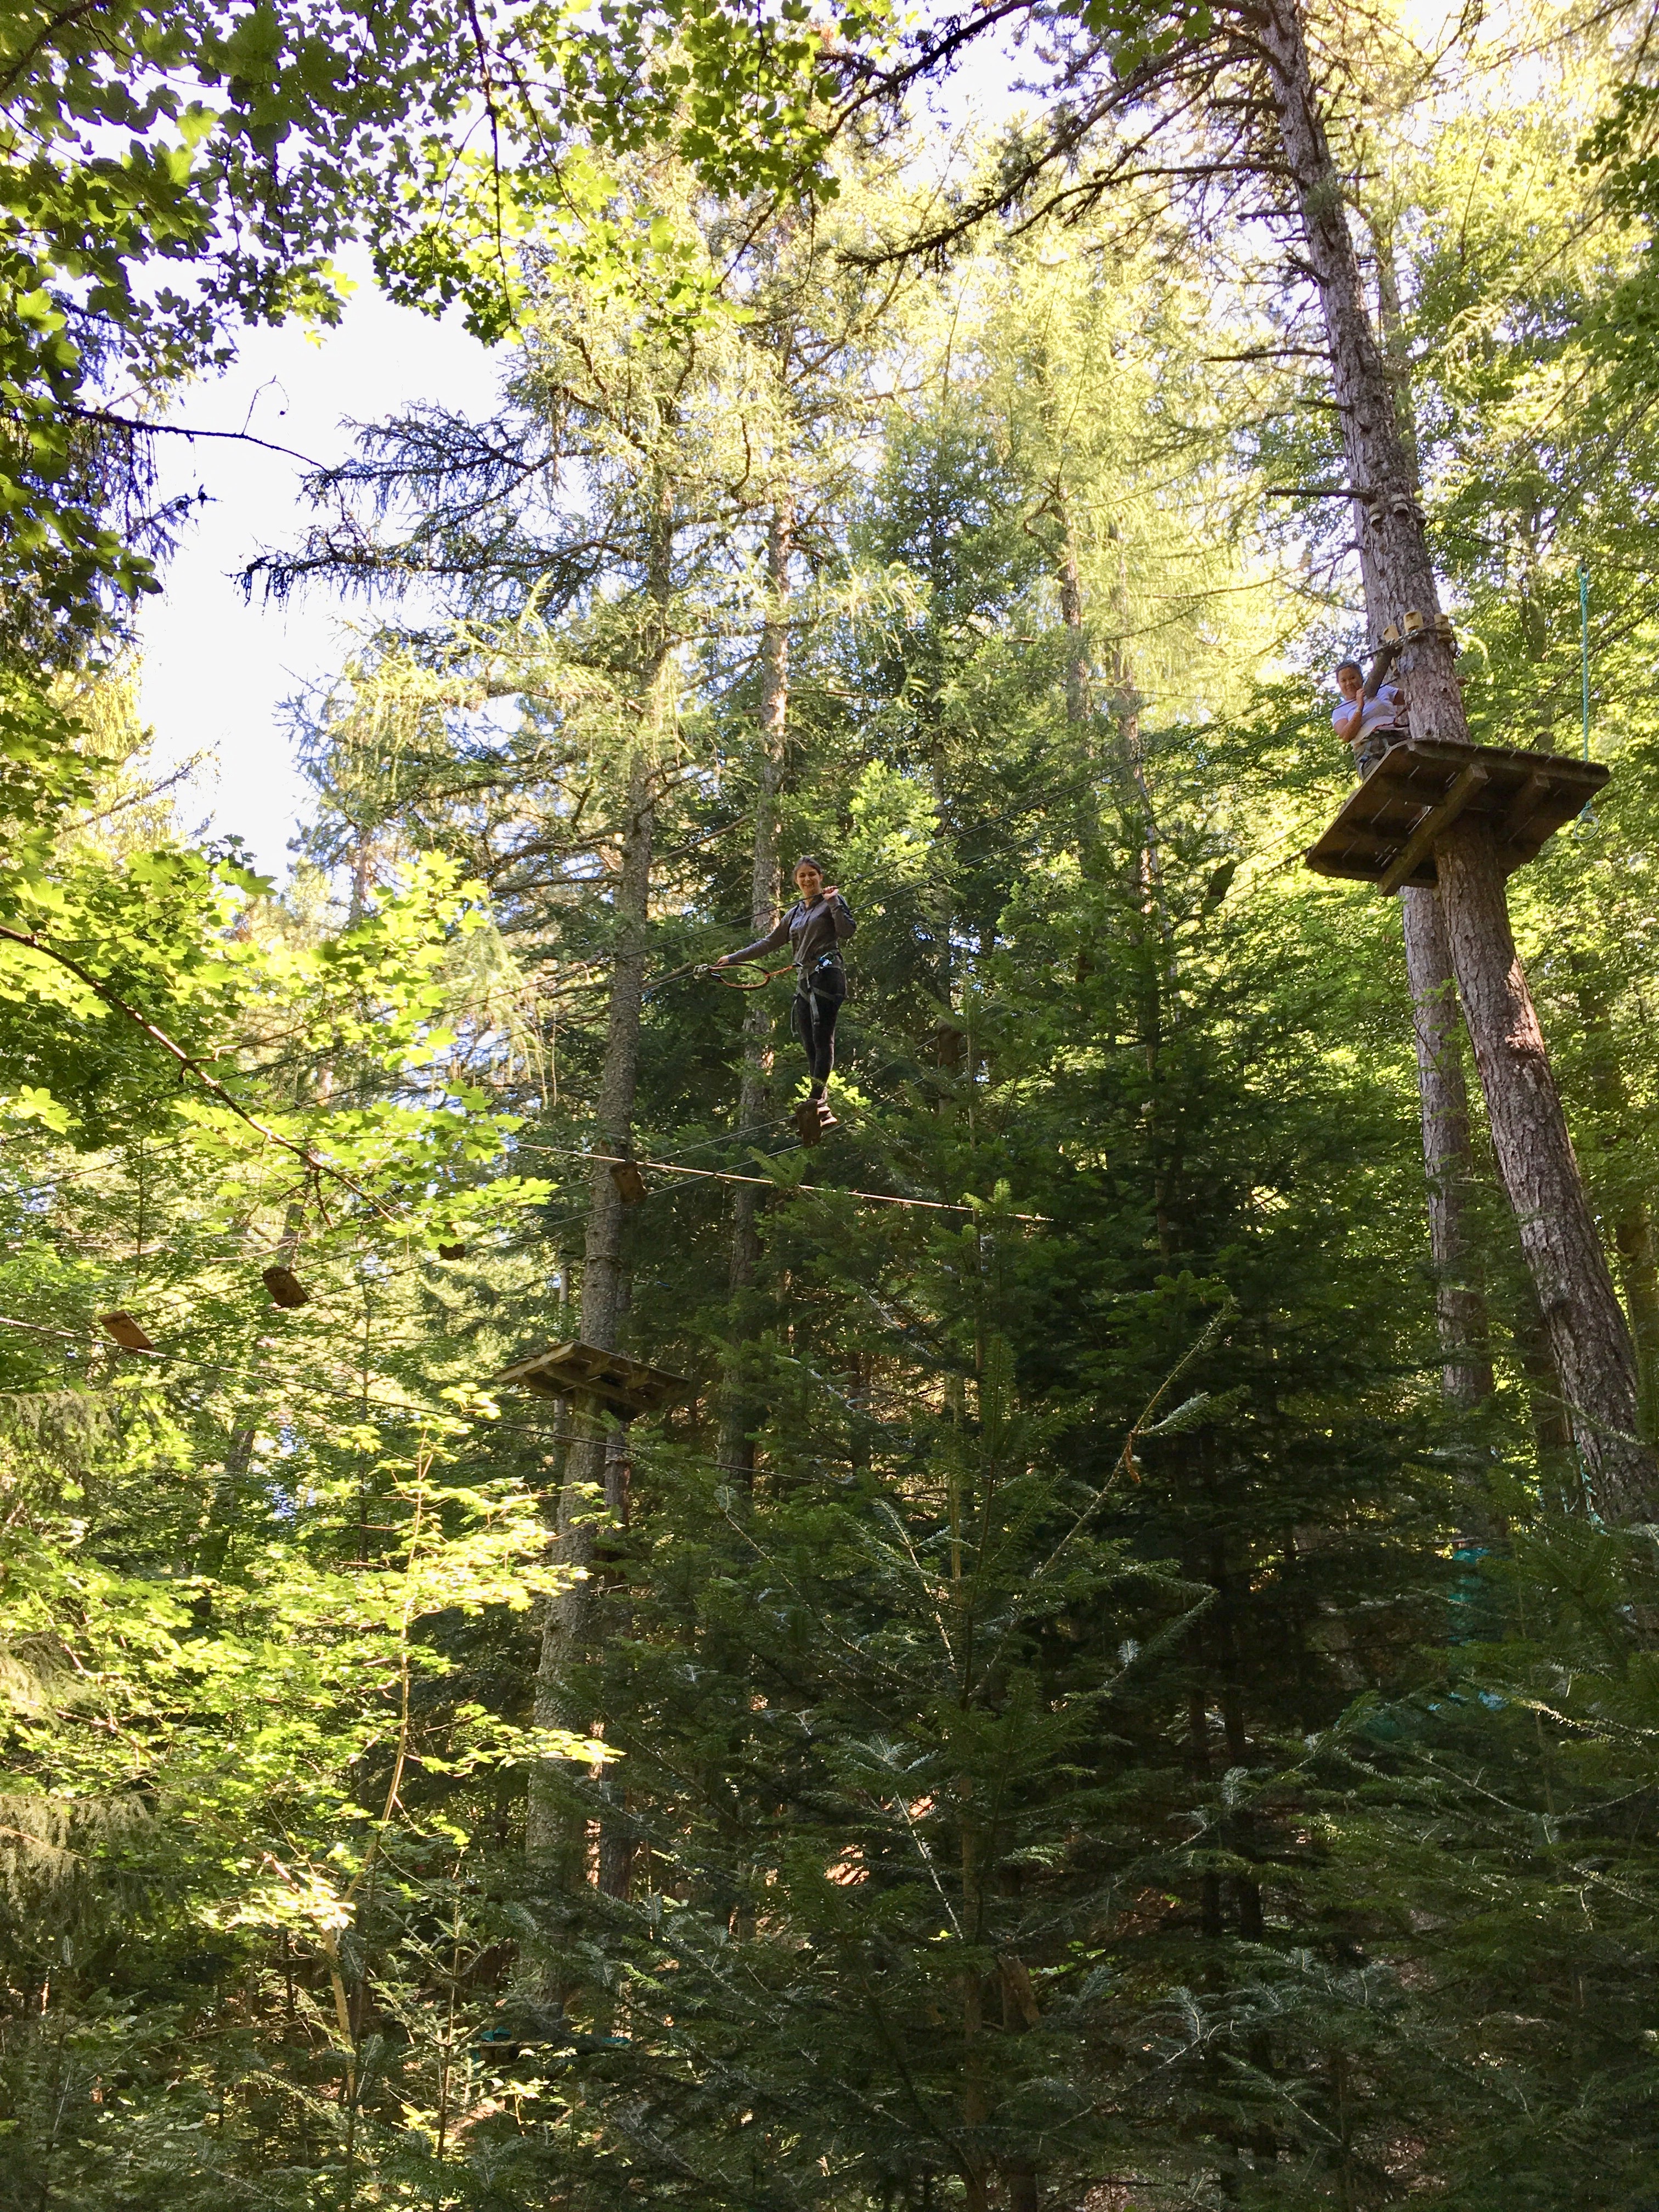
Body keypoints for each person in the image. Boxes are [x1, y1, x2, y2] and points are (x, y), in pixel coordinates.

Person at [715, 857, 856, 1118]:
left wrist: (835, 901)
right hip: (804, 979)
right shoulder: (795, 913)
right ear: (796, 881)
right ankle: (819, 1102)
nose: (807, 880)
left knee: (823, 1037)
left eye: (812, 874)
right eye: (802, 876)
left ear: (820, 877)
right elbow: (769, 943)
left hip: (827, 975)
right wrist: (733, 958)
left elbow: (847, 931)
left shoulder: (831, 901)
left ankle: (817, 1100)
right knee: (809, 1041)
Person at [1332, 640, 1404, 777]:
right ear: (1339, 684)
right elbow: (1346, 736)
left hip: (1395, 739)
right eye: (1344, 681)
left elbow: (1410, 697)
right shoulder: (1340, 711)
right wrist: (1360, 707)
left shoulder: (1382, 689)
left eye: (1353, 678)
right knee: (1382, 778)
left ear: (1361, 677)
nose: (1349, 683)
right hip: (1368, 750)